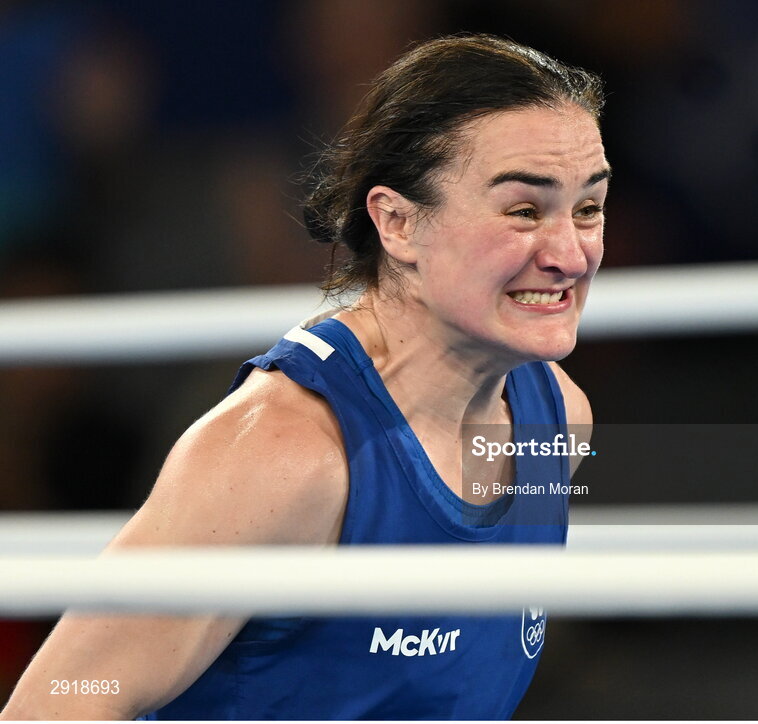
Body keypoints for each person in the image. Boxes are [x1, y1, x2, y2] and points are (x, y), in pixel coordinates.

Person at [0, 33, 608, 720]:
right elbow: (58, 706)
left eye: (588, 207)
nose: (570, 254)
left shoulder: (558, 417)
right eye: (524, 210)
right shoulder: (283, 453)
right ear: (398, 223)